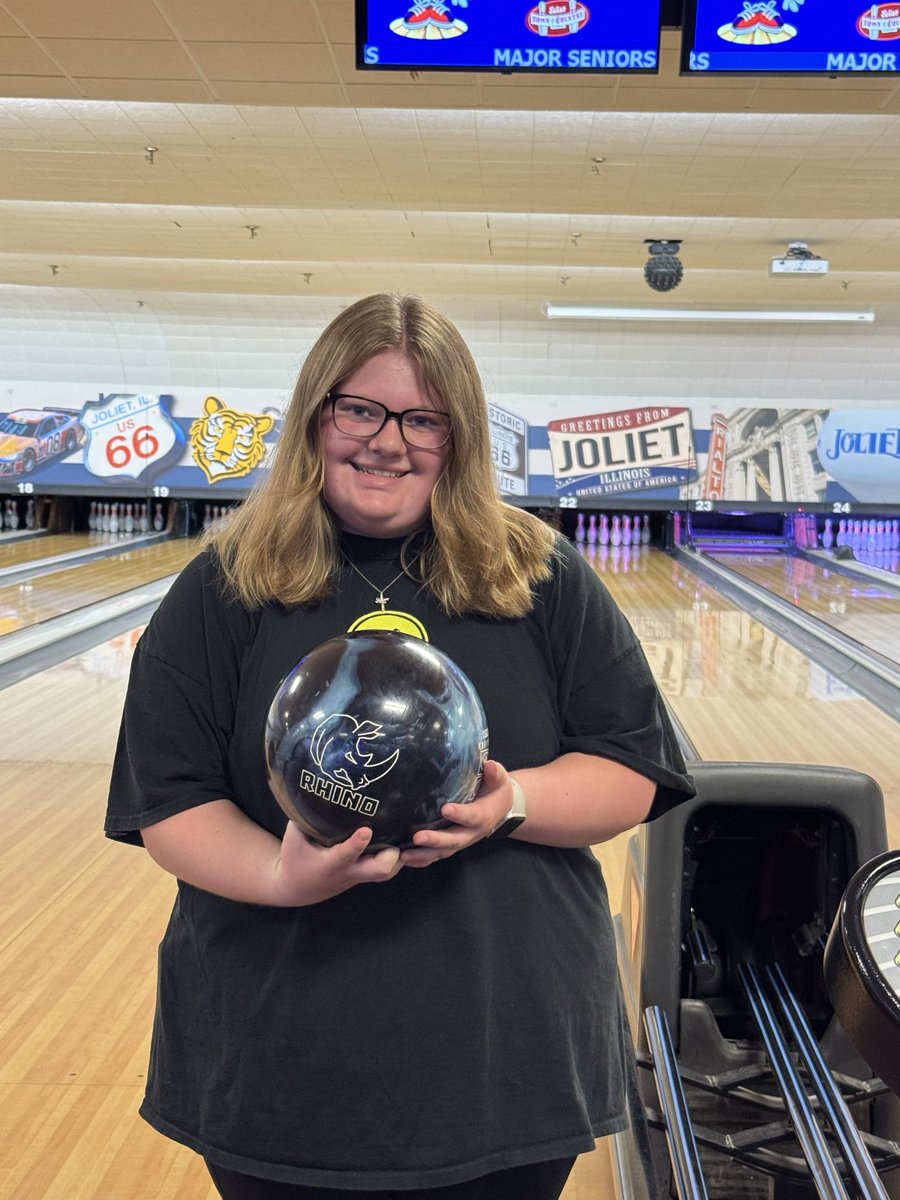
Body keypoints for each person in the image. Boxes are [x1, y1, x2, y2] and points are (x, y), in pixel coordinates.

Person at [105, 293, 696, 1200]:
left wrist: (513, 804)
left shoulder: (541, 575)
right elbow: (168, 802)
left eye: (425, 419)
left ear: (459, 439)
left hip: (509, 1064)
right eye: (361, 409)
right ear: (316, 415)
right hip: (278, 1064)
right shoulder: (223, 590)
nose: (389, 441)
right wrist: (278, 875)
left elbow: (631, 770)